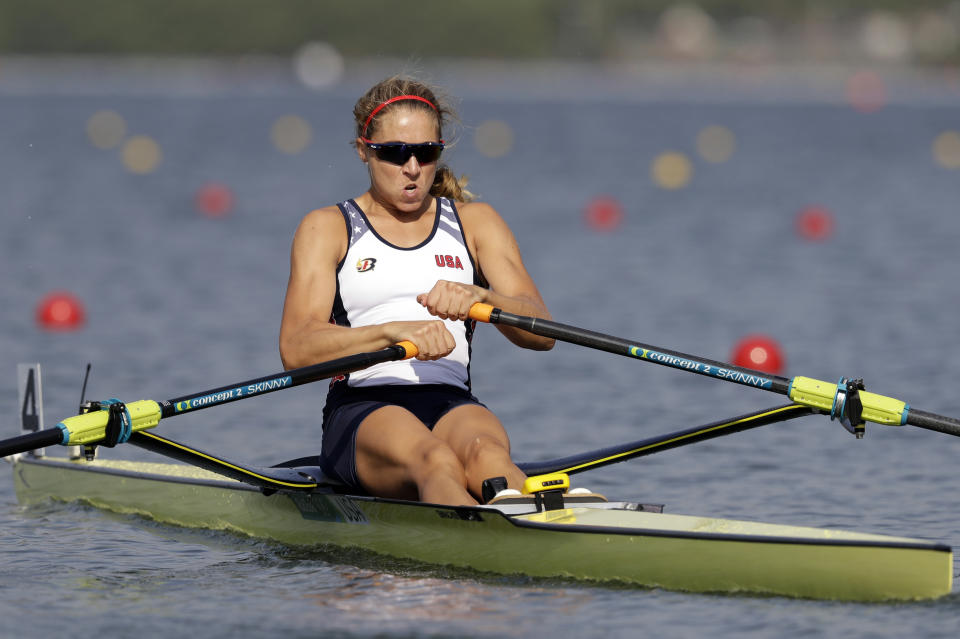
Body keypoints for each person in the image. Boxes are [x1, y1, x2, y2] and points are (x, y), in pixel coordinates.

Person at [279, 75, 554, 506]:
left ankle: (540, 530)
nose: (412, 168)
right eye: (395, 153)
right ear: (363, 150)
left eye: (426, 153)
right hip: (362, 408)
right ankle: (477, 547)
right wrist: (393, 333)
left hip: (451, 402)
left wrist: (485, 300)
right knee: (436, 461)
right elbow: (297, 350)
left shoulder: (476, 223)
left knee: (488, 455)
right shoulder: (328, 227)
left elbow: (542, 333)